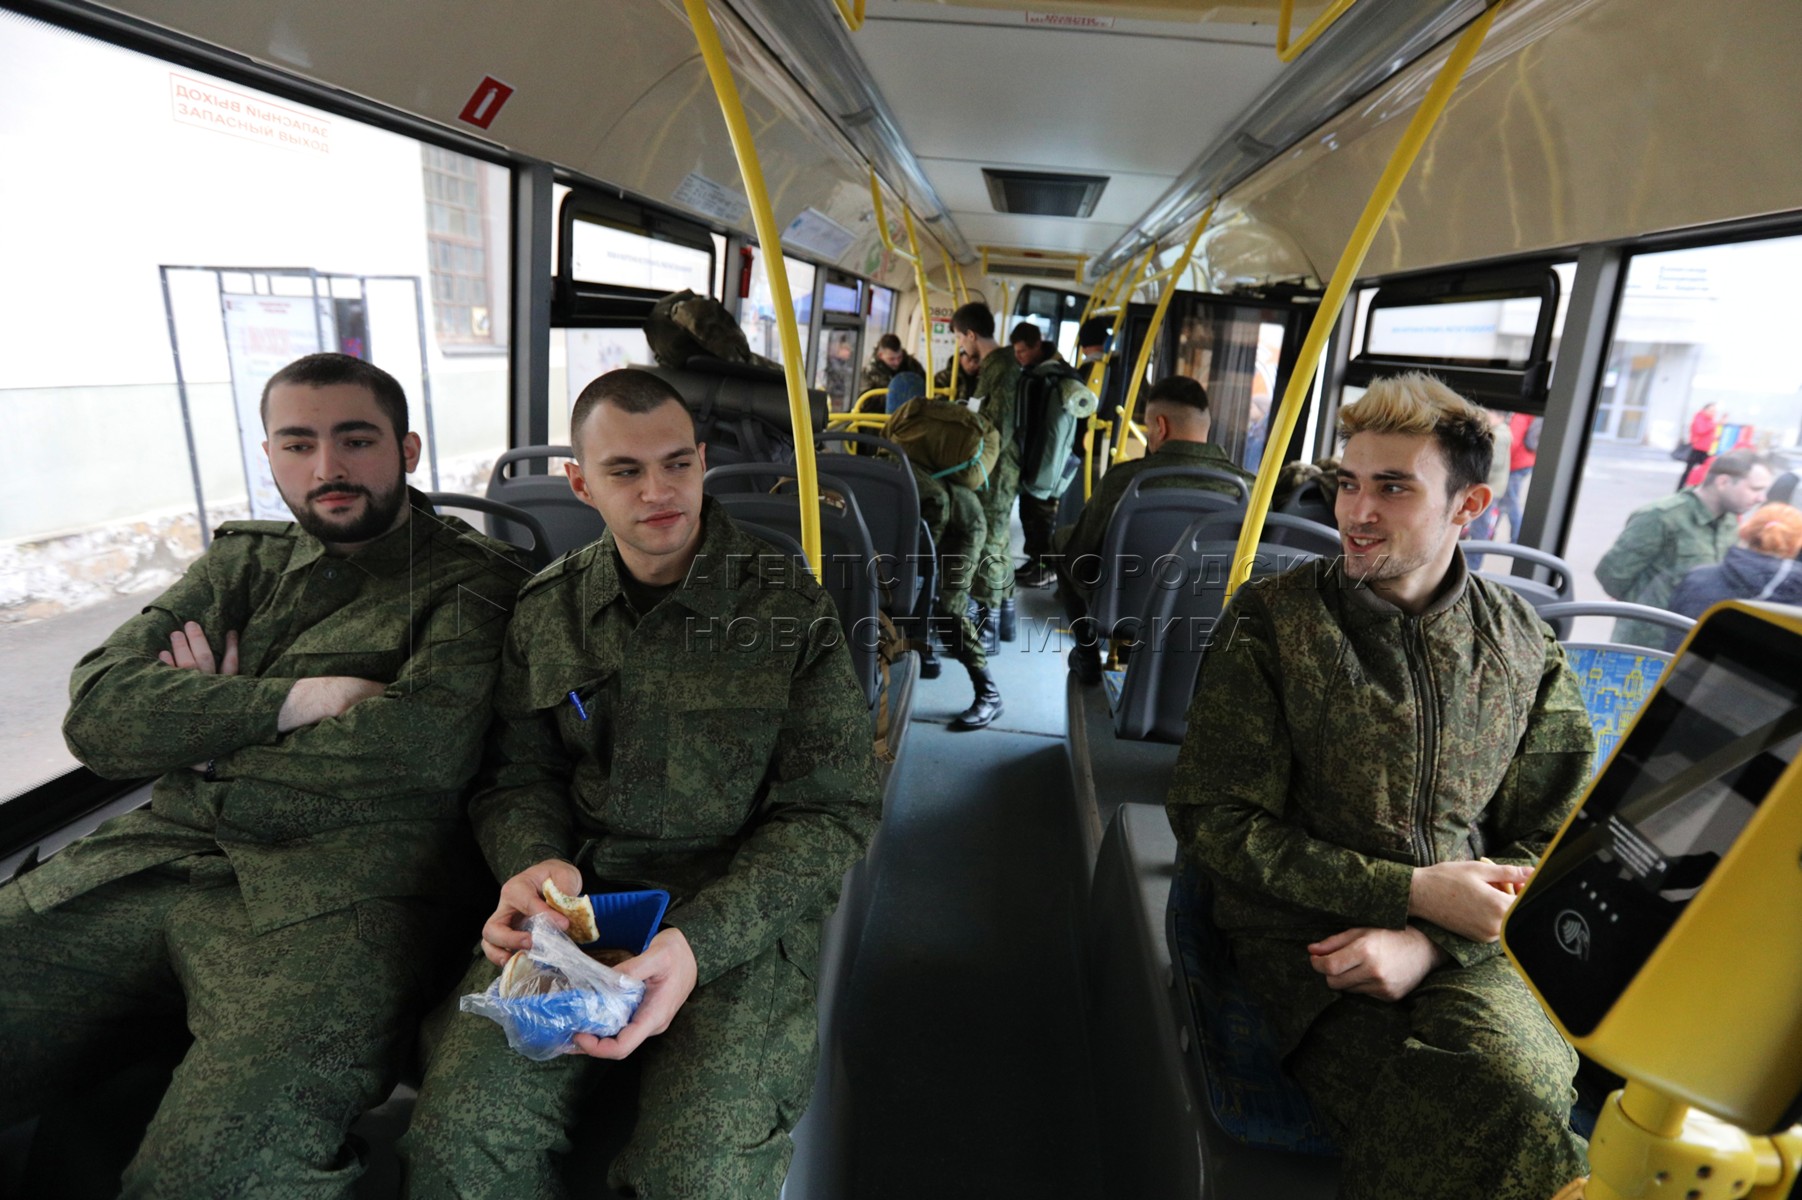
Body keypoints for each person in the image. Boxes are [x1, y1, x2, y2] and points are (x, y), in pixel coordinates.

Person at [0, 353, 526, 1196]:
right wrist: (300, 700)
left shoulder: (479, 586)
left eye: (356, 440)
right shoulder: (241, 566)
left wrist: (201, 738)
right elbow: (97, 716)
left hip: (336, 896)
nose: (327, 468)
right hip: (154, 858)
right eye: (298, 444)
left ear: (408, 450)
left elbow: (415, 753)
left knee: (218, 1173)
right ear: (270, 454)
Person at [402, 368, 882, 1197]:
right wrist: (536, 861)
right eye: (625, 471)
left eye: (677, 464)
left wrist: (701, 942)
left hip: (736, 912)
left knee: (697, 1175)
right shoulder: (549, 611)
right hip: (582, 909)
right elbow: (520, 773)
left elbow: (831, 810)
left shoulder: (787, 612)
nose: (658, 491)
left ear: (702, 461)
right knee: (460, 1140)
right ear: (581, 484)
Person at [1166, 373, 1595, 1200]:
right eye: (1348, 484)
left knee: (1515, 1080)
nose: (1356, 513)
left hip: (1475, 945)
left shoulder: (1521, 644)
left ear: (1469, 507)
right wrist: (1407, 892)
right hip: (1310, 948)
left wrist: (1433, 933)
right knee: (1479, 1111)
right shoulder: (1274, 623)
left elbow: (1556, 827)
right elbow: (1215, 820)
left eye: (1393, 488)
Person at [1053, 375, 1254, 684]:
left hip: (1127, 612)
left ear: (1160, 426)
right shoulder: (1250, 489)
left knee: (1063, 541)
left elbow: (1081, 557)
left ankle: (1087, 654)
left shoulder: (1125, 480)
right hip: (1216, 615)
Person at [1595, 448, 1776, 646]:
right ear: (1723, 482)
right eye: (1755, 489)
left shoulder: (1729, 521)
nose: (1761, 498)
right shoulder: (1662, 516)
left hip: (1694, 640)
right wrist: (1642, 605)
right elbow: (1612, 575)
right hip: (1647, 644)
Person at [954, 301, 1024, 644]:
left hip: (995, 469)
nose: (960, 345)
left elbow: (999, 427)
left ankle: (988, 626)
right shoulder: (998, 365)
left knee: (989, 544)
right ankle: (1004, 617)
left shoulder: (1003, 368)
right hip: (996, 466)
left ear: (970, 334)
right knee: (999, 542)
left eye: (959, 338)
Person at [1663, 501, 1802, 647]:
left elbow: (1673, 634)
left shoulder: (1697, 578)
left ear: (1744, 531)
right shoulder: (1795, 597)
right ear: (1796, 546)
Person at [1465, 408, 1513, 569]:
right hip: (1490, 487)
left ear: (1499, 416)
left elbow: (1493, 464)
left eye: (1489, 413)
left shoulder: (1499, 435)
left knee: (1480, 527)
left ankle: (1474, 565)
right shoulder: (1499, 432)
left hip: (1490, 488)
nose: (1485, 416)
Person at [1497, 411, 1540, 540]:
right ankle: (1491, 531)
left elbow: (1513, 442)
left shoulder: (1520, 414)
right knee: (1504, 501)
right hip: (1526, 461)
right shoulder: (1530, 414)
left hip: (1517, 464)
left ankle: (1518, 538)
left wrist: (1501, 461)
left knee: (1510, 503)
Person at [1678, 401, 1720, 493]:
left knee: (1705, 470)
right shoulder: (1699, 418)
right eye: (1711, 411)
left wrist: (1714, 437)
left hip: (1706, 450)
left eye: (1714, 411)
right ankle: (1680, 489)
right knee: (1689, 470)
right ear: (1705, 410)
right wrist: (1713, 426)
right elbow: (1700, 430)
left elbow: (1708, 434)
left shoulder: (1710, 421)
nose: (1713, 413)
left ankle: (1697, 488)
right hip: (1697, 449)